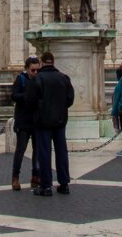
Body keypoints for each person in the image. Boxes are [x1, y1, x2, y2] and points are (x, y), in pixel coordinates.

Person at [26, 51, 75, 197]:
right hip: (60, 121)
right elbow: (70, 100)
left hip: (42, 122)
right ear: (53, 62)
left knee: (44, 153)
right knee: (61, 152)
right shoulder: (63, 78)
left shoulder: (38, 79)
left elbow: (30, 100)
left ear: (41, 62)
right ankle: (64, 184)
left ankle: (46, 187)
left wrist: (38, 111)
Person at [10, 56, 42, 190]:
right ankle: (15, 177)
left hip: (36, 120)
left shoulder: (40, 80)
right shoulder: (21, 79)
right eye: (33, 70)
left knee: (37, 151)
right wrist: (26, 96)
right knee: (20, 150)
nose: (35, 73)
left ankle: (35, 176)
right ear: (27, 69)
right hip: (23, 121)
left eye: (37, 70)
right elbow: (13, 95)